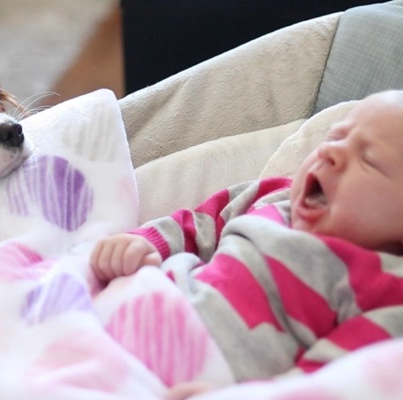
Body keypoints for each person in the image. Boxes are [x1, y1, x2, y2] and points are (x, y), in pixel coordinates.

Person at [90, 90, 403, 399]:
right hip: (146, 301)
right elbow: (199, 224)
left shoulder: (388, 288)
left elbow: (333, 379)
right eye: (335, 137)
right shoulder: (274, 196)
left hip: (205, 374)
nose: (329, 153)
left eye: (369, 160)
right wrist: (144, 243)